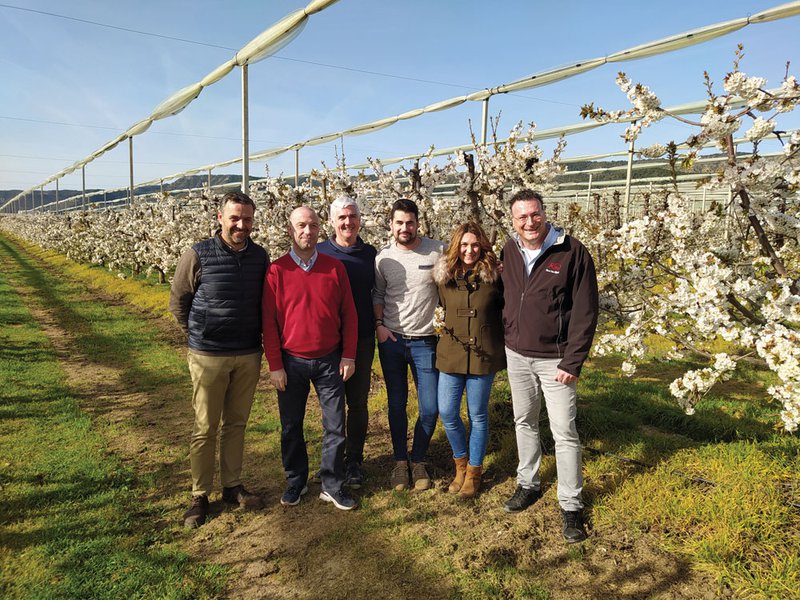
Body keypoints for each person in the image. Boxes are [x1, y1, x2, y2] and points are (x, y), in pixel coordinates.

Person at [500, 189, 599, 543]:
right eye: (521, 217)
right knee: (524, 421)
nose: (529, 222)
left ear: (544, 213)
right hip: (516, 355)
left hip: (556, 361)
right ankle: (528, 483)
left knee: (563, 431)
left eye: (534, 214)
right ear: (513, 220)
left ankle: (571, 505)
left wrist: (573, 360)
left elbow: (586, 311)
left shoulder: (572, 251)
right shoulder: (509, 250)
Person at [169, 190, 269, 528]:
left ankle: (232, 485)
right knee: (205, 426)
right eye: (235, 218)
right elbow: (179, 300)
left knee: (237, 424)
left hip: (248, 353)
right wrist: (197, 336)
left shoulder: (260, 257)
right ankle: (199, 494)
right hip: (208, 354)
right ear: (220, 218)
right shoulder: (198, 254)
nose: (241, 224)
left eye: (247, 219)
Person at [262, 206, 358, 511]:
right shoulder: (277, 271)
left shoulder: (334, 268)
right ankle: (296, 479)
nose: (307, 231)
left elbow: (349, 315)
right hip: (291, 361)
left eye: (313, 226)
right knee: (291, 426)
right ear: (290, 231)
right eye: (301, 226)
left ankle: (332, 483)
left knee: (335, 426)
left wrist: (349, 355)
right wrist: (275, 365)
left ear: (320, 229)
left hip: (330, 360)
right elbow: (269, 323)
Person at [373, 198, 445, 491]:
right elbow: (378, 294)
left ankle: (419, 457)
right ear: (391, 225)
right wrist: (379, 326)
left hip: (426, 340)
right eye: (399, 222)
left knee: (430, 407)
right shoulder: (382, 258)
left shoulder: (436, 250)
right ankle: (401, 462)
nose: (405, 227)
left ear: (418, 223)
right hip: (392, 340)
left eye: (410, 222)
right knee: (396, 403)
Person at [433, 222, 505, 499]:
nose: (469, 250)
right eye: (464, 245)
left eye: (475, 245)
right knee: (448, 412)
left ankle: (474, 471)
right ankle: (460, 464)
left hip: (482, 355)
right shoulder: (445, 277)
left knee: (477, 415)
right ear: (456, 246)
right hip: (451, 354)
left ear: (483, 246)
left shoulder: (495, 276)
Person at [317, 195, 377, 488]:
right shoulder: (319, 253)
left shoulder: (370, 254)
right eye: (341, 217)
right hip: (328, 342)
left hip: (363, 339)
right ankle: (333, 459)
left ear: (359, 220)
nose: (347, 222)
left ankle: (354, 460)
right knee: (331, 405)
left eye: (352, 216)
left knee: (358, 402)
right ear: (332, 221)